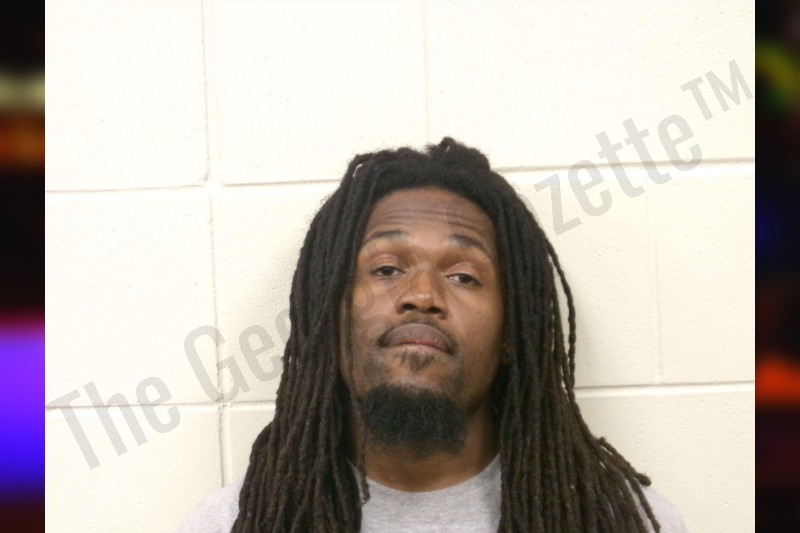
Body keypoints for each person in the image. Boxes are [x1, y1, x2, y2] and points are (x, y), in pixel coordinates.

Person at [176, 138, 688, 532]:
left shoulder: (620, 522)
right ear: (329, 317)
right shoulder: (234, 524)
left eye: (463, 276)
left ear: (512, 334)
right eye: (386, 269)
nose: (422, 294)